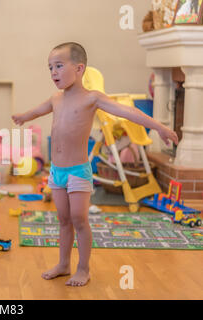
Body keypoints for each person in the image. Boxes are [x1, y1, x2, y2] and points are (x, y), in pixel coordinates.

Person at [12, 42, 178, 287]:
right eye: (50, 68)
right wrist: (25, 116)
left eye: (58, 66)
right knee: (63, 219)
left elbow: (127, 113)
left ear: (79, 68)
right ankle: (63, 263)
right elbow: (40, 110)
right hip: (57, 172)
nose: (53, 72)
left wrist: (160, 127)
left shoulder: (92, 98)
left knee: (79, 219)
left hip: (78, 171)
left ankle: (83, 268)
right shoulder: (56, 99)